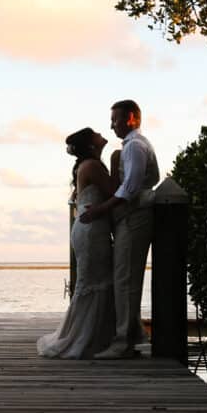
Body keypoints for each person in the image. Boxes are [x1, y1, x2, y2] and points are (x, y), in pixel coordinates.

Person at [79, 100, 159, 359]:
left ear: (132, 118)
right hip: (129, 217)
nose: (111, 125)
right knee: (125, 278)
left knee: (125, 280)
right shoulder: (129, 147)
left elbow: (129, 189)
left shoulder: (135, 146)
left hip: (134, 217)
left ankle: (123, 342)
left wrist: (99, 212)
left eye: (115, 119)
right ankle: (134, 335)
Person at [37, 127, 117, 359]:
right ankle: (86, 339)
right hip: (92, 229)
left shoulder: (88, 165)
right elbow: (115, 191)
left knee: (93, 281)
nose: (102, 133)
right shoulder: (92, 166)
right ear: (91, 144)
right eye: (96, 134)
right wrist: (116, 161)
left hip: (89, 227)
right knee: (96, 282)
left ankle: (96, 337)